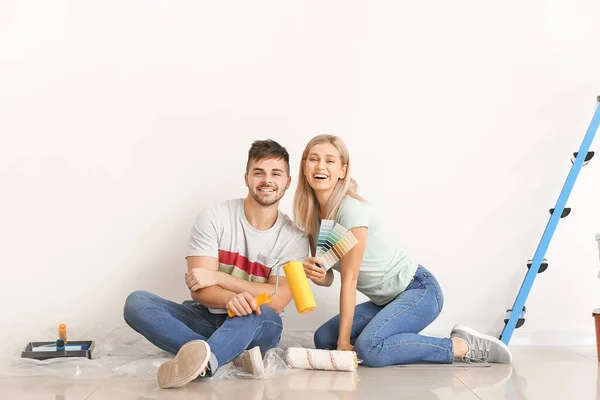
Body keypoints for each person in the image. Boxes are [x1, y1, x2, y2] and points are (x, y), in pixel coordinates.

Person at [292, 134, 512, 366]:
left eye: (330, 160)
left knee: (369, 349)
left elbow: (350, 279)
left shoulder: (350, 211)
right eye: (314, 159)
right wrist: (315, 272)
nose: (320, 166)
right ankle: (388, 340)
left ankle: (461, 346)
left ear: (343, 170)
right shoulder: (313, 219)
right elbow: (327, 277)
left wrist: (345, 342)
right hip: (385, 302)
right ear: (304, 167)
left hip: (420, 290)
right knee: (324, 338)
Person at [124, 139, 309, 388]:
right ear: (246, 178)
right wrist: (227, 299)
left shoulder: (294, 237)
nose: (267, 180)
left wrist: (221, 279)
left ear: (287, 182)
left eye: (276, 173)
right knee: (137, 303)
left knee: (257, 311)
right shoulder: (214, 217)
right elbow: (200, 288)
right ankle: (223, 356)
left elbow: (277, 298)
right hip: (208, 317)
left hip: (257, 322)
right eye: (259, 172)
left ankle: (205, 359)